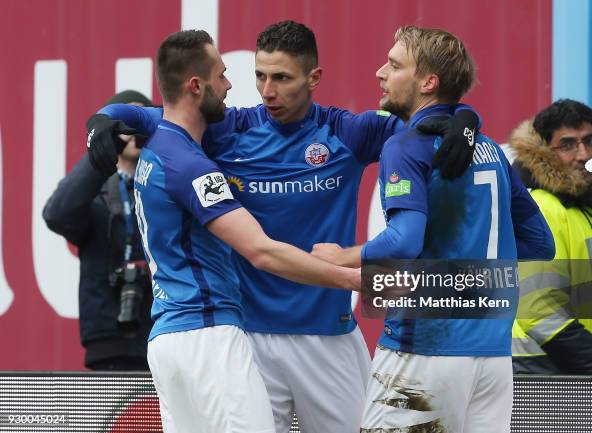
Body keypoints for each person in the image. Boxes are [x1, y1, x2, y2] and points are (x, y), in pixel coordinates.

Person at [87, 21, 479, 433]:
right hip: (250, 339)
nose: (267, 90)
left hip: (328, 338)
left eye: (282, 78)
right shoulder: (227, 130)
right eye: (259, 75)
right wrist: (103, 116)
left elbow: (430, 120)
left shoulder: (348, 132)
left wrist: (466, 117)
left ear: (314, 78)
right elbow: (150, 115)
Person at [116, 29, 362, 433]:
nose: (232, 86)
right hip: (206, 333)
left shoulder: (159, 151)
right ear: (197, 86)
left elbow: (144, 115)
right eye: (223, 75)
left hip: (168, 336)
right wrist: (352, 276)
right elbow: (261, 251)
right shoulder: (191, 166)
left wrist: (107, 116)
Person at [311, 26, 555, 433]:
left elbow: (404, 240)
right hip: (493, 359)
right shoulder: (492, 150)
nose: (379, 72)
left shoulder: (405, 145)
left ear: (428, 82)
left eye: (394, 65)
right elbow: (539, 243)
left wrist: (341, 256)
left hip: (425, 348)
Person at [43, 90, 153, 371]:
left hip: (162, 331)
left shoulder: (163, 188)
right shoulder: (94, 195)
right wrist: (101, 154)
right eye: (123, 122)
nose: (132, 131)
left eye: (140, 121)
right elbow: (57, 214)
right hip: (108, 336)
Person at [509, 99, 592, 375]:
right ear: (545, 152)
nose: (583, 155)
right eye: (567, 145)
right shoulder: (540, 209)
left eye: (590, 141)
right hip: (543, 372)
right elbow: (539, 311)